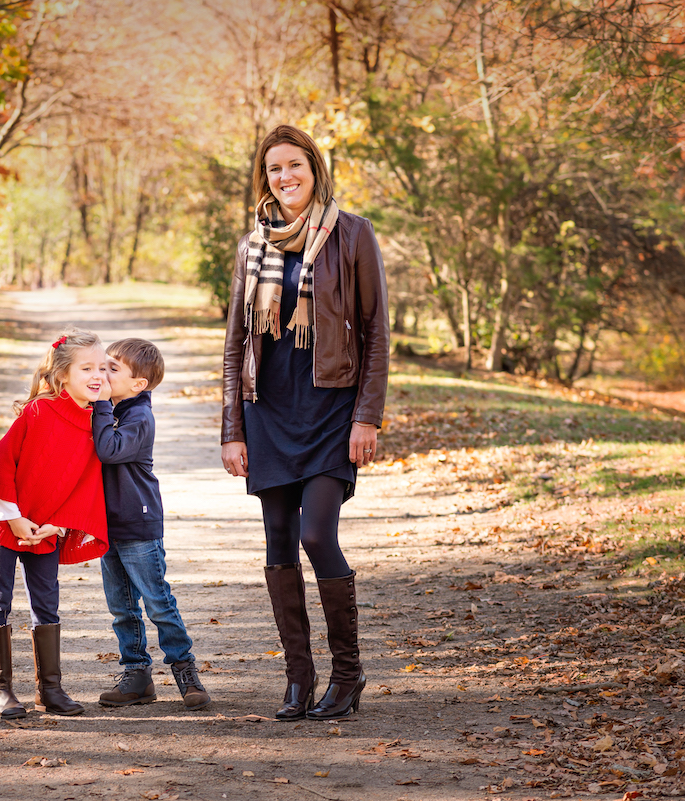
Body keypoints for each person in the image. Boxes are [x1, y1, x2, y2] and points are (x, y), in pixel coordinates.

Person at [220, 124, 389, 721]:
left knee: (317, 535)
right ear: (264, 180)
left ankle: (348, 675)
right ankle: (298, 680)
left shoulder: (352, 235)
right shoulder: (251, 247)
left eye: (294, 165)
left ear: (314, 169)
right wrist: (231, 428)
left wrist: (367, 417)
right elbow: (235, 341)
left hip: (329, 413)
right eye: (274, 170)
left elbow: (375, 335)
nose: (285, 177)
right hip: (268, 413)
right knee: (277, 544)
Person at [0, 329, 109, 719]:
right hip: (8, 521)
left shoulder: (96, 423)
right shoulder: (38, 412)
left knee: (47, 601)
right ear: (63, 375)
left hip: (49, 529)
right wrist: (13, 519)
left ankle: (50, 689)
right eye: (87, 368)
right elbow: (0, 467)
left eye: (102, 368)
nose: (98, 375)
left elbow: (85, 487)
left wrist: (59, 527)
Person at [91, 338, 210, 711]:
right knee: (122, 608)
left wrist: (97, 404)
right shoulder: (114, 409)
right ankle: (137, 676)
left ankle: (185, 671)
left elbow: (107, 450)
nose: (101, 374)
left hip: (138, 526)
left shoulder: (139, 416)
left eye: (112, 369)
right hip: (107, 525)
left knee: (158, 603)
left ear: (138, 384)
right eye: (101, 366)